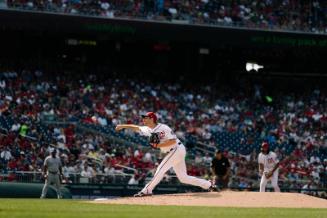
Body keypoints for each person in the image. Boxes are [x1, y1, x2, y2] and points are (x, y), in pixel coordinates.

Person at [115, 111, 216, 197]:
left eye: (146, 118)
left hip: (176, 149)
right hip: (174, 151)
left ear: (152, 119)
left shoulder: (163, 128)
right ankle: (208, 184)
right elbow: (136, 128)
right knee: (183, 178)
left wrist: (158, 145)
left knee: (160, 169)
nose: (143, 120)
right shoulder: (148, 129)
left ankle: (147, 190)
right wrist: (123, 126)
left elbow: (172, 141)